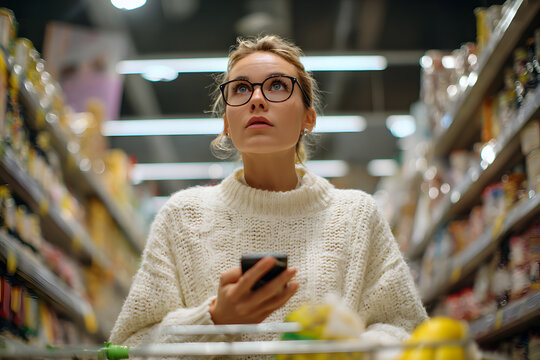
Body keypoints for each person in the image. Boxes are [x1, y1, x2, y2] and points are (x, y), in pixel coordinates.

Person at [109, 35, 428, 357]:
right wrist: (215, 320)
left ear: (308, 118)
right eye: (241, 89)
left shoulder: (356, 215)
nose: (257, 99)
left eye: (277, 86)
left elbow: (405, 330)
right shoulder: (182, 216)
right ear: (226, 125)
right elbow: (131, 344)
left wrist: (343, 346)